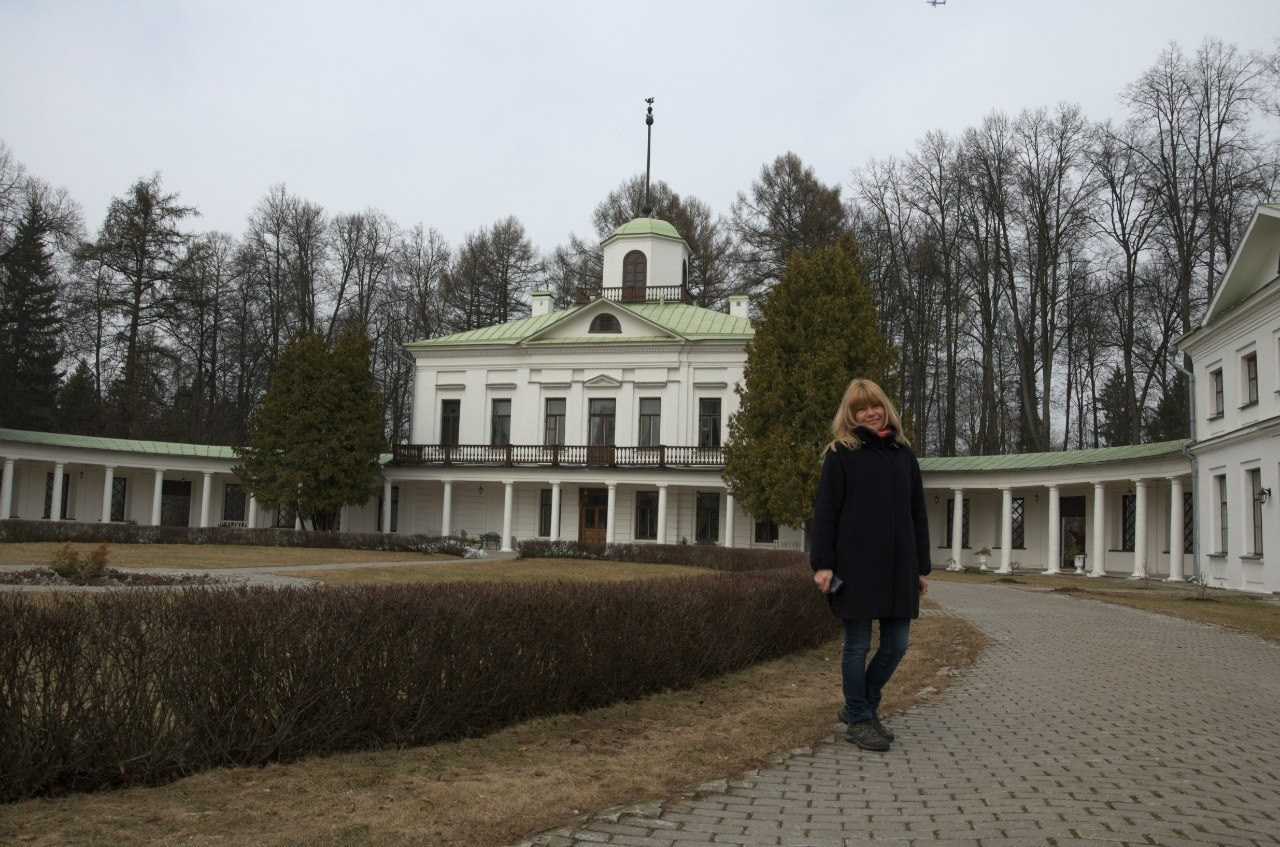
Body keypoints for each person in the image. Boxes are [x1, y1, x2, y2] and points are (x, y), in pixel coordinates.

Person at [810, 378, 931, 752]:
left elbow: (918, 514)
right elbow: (826, 512)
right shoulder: (841, 453)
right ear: (851, 414)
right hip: (856, 565)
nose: (870, 412)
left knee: (897, 644)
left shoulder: (903, 454)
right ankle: (860, 718)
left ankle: (859, 705)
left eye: (874, 405)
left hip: (898, 568)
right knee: (857, 645)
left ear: (884, 407)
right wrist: (823, 564)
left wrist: (921, 568)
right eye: (861, 408)